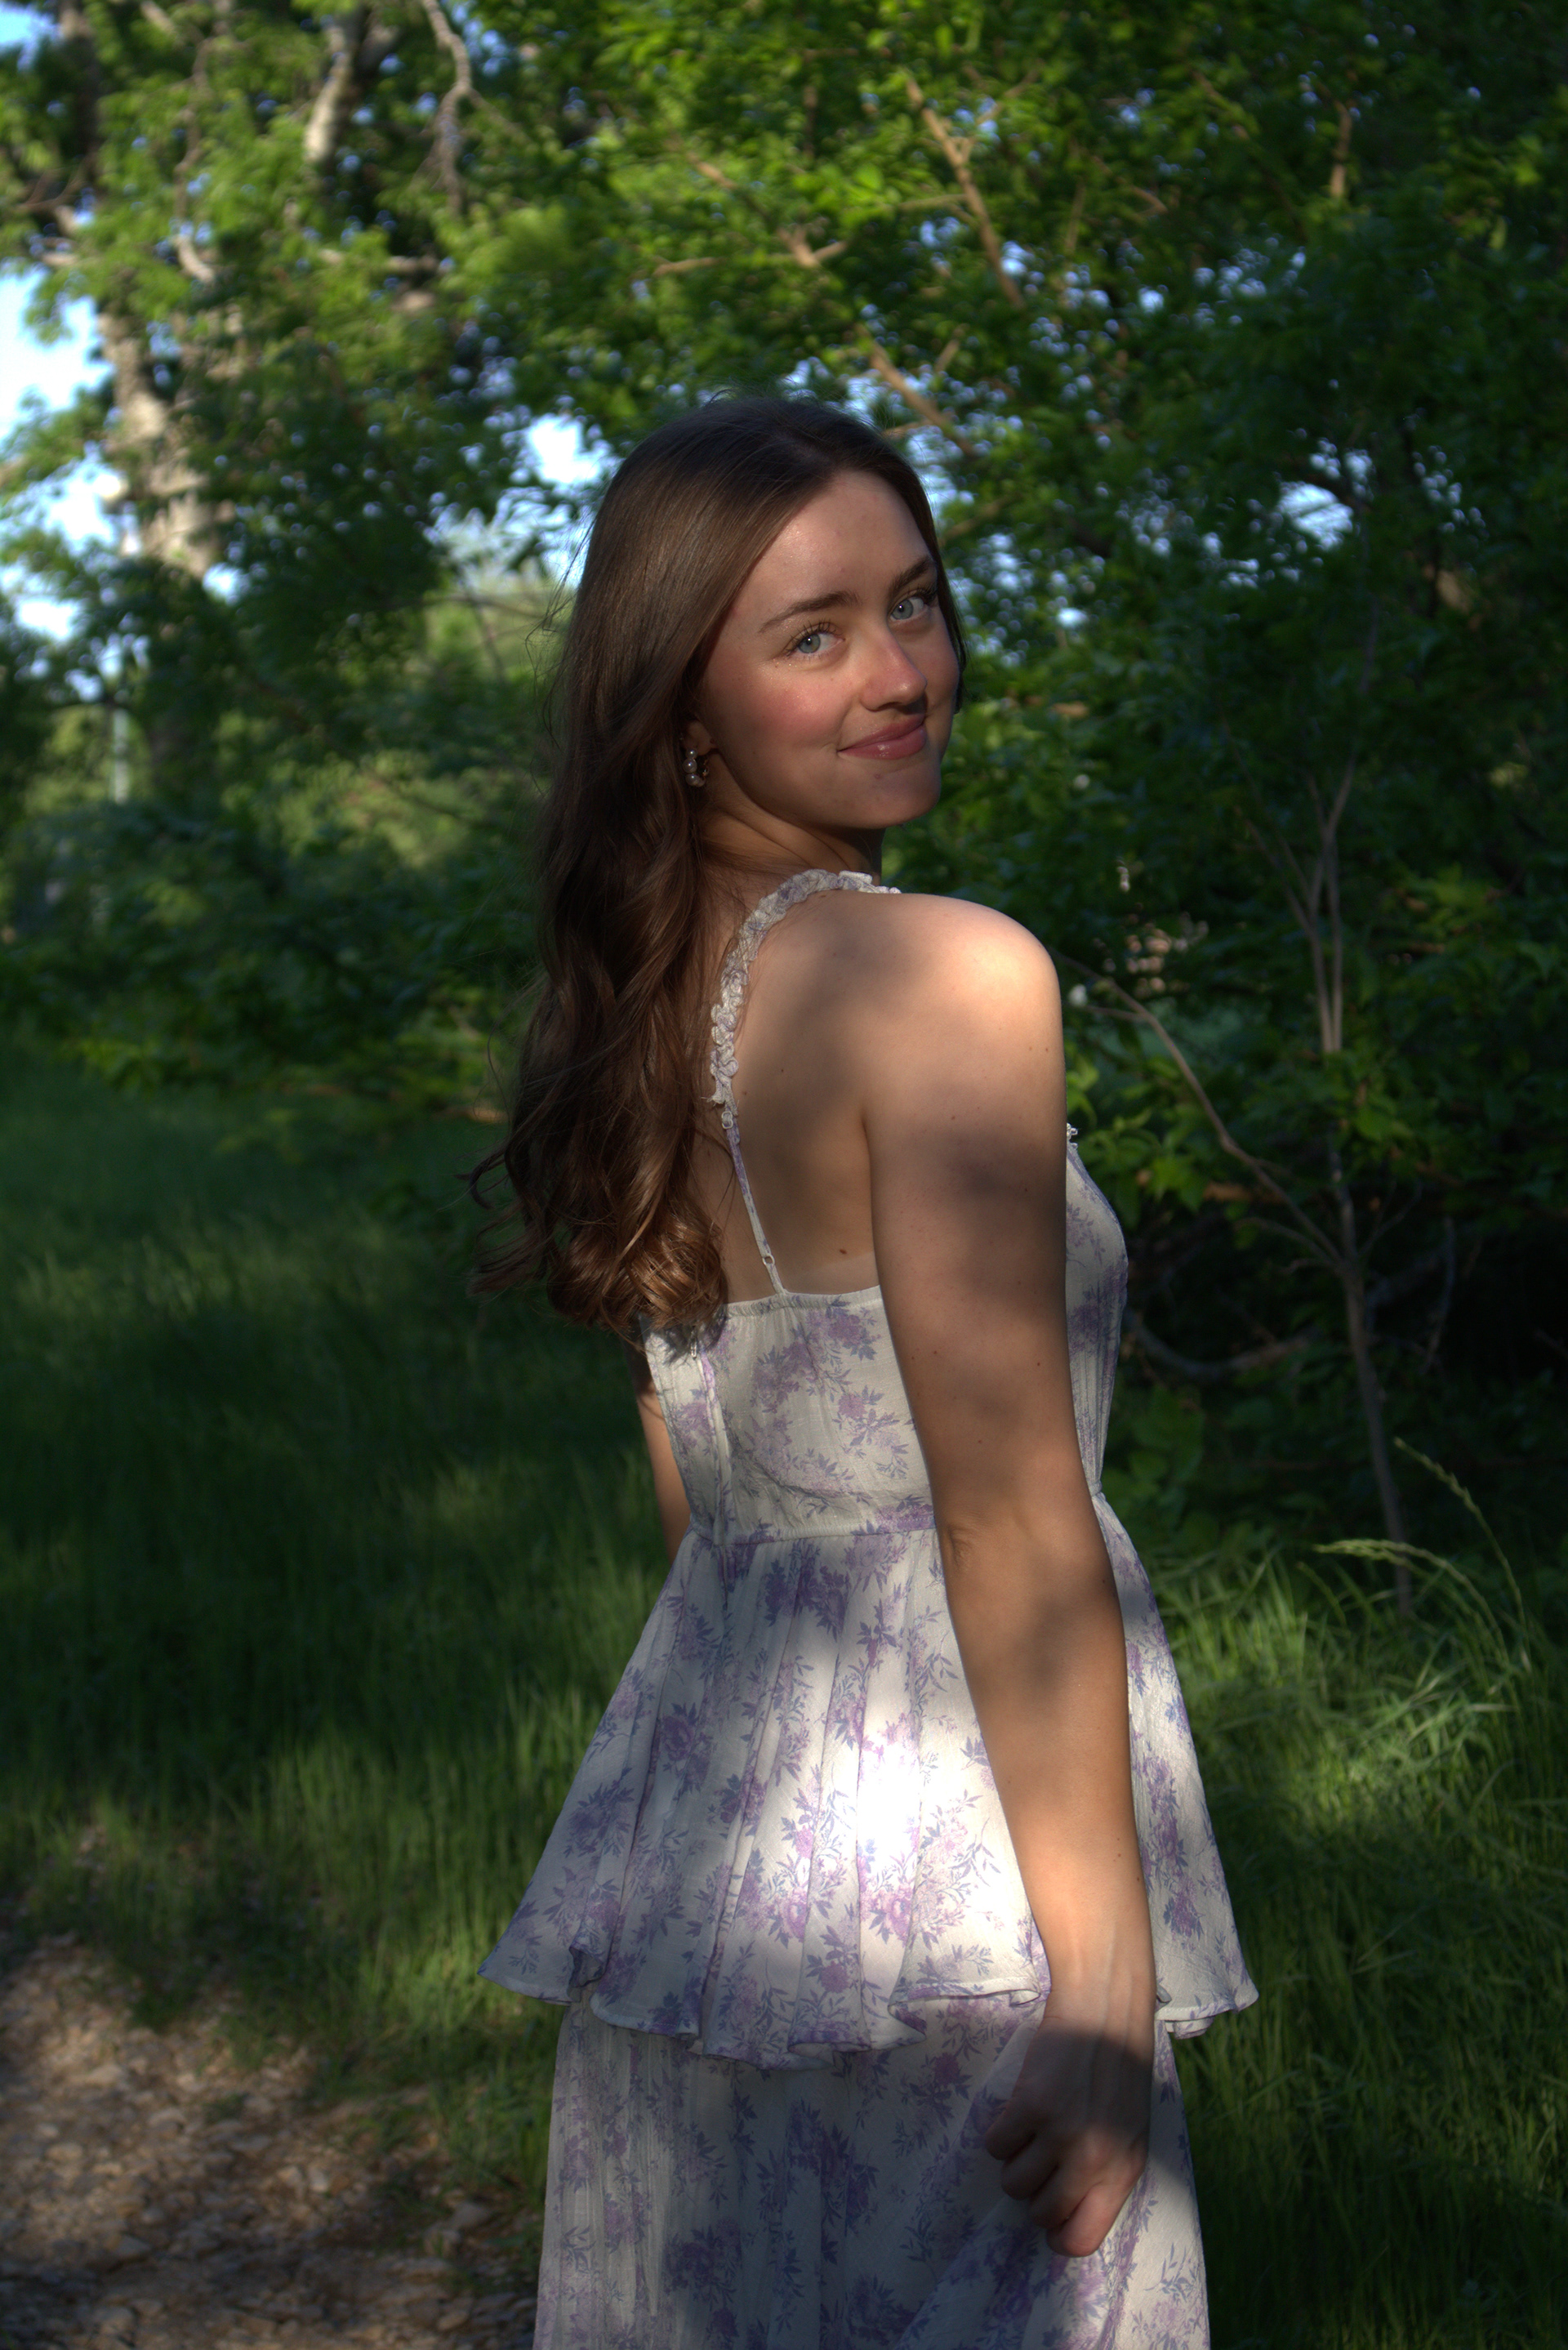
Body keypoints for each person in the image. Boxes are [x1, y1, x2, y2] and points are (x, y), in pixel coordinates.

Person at [475, 397, 1257, 2348]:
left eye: (913, 602)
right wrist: (1101, 1985)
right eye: (811, 633)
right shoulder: (945, 976)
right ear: (684, 700)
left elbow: (701, 1492)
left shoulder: (641, 1012)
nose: (902, 670)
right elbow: (1009, 1510)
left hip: (721, 1852)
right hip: (966, 1860)